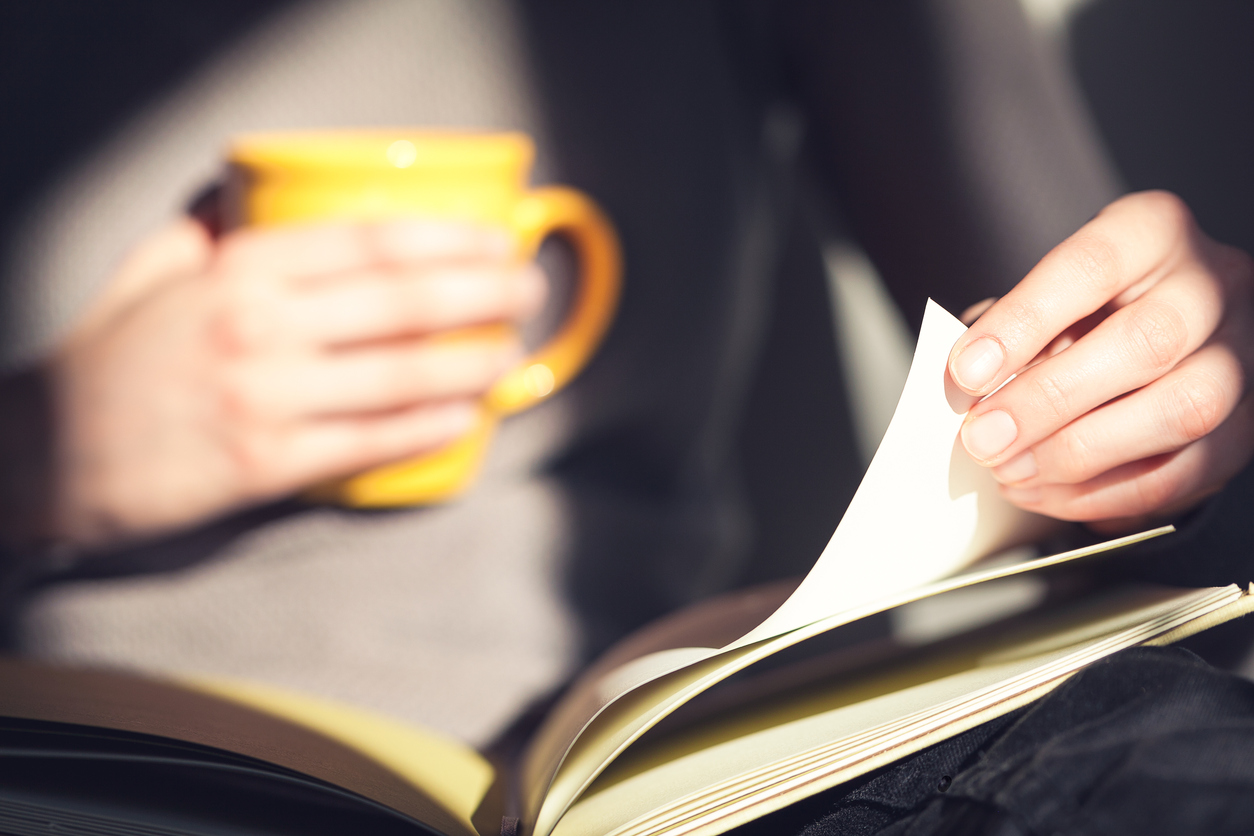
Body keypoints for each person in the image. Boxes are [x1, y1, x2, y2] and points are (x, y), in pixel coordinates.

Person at [1, 0, 1252, 757]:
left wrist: (1161, 384)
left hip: (632, 740)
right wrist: (42, 452)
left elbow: (1088, 364)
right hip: (87, 745)